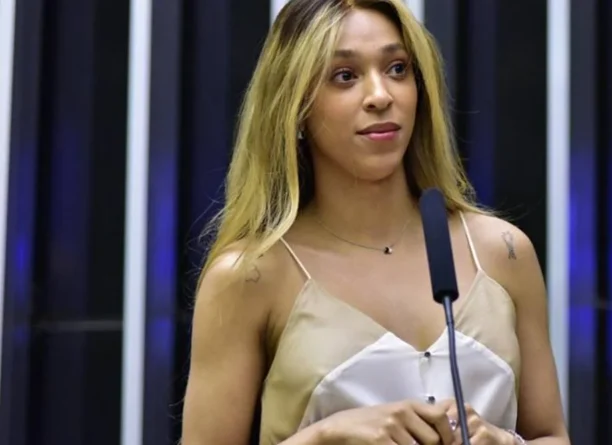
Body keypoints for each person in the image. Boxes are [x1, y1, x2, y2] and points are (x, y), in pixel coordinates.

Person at [180, 0, 570, 444]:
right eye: (345, 76)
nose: (381, 95)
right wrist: (325, 437)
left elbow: (552, 435)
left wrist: (503, 441)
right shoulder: (250, 276)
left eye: (397, 69)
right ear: (295, 105)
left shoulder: (503, 252)